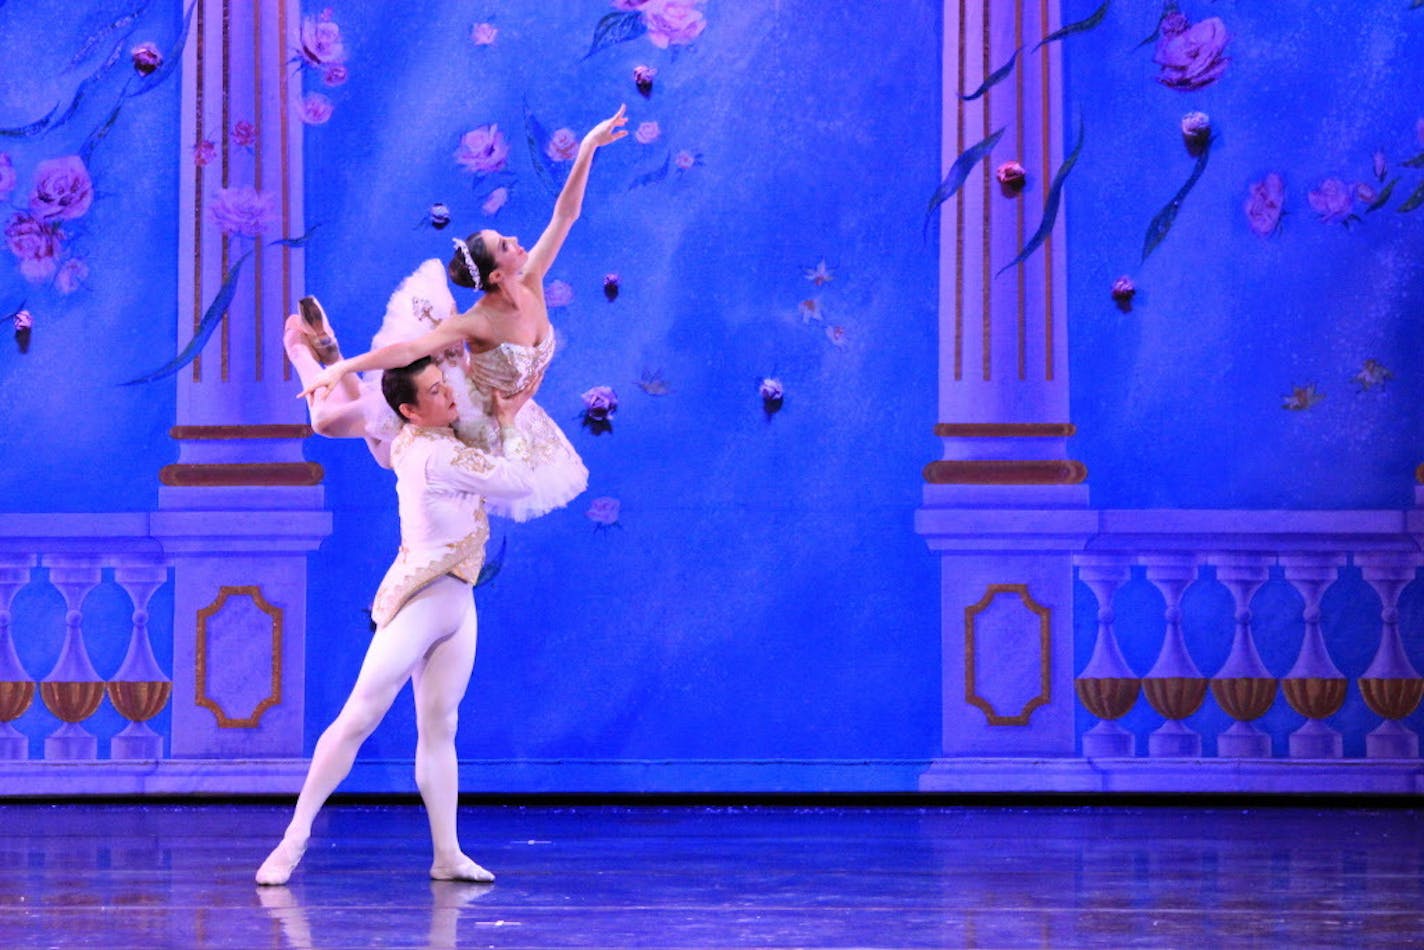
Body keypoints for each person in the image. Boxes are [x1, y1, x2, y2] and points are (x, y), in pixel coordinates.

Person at [256, 357, 537, 886]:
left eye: (444, 383)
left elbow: (377, 439)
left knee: (440, 726)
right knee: (359, 717)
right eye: (435, 390)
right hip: (420, 602)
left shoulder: (409, 441)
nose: (449, 394)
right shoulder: (435, 454)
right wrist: (506, 419)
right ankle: (292, 841)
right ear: (411, 410)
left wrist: (334, 365)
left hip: (456, 601)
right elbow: (518, 482)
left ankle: (447, 854)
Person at [289, 103, 630, 520]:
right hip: (463, 407)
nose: (516, 240)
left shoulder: (532, 278)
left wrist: (589, 147)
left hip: (505, 417)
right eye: (505, 245)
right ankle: (315, 358)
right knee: (326, 421)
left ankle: (332, 356)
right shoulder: (478, 322)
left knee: (382, 454)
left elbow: (565, 214)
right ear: (493, 277)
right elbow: (409, 350)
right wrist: (342, 371)